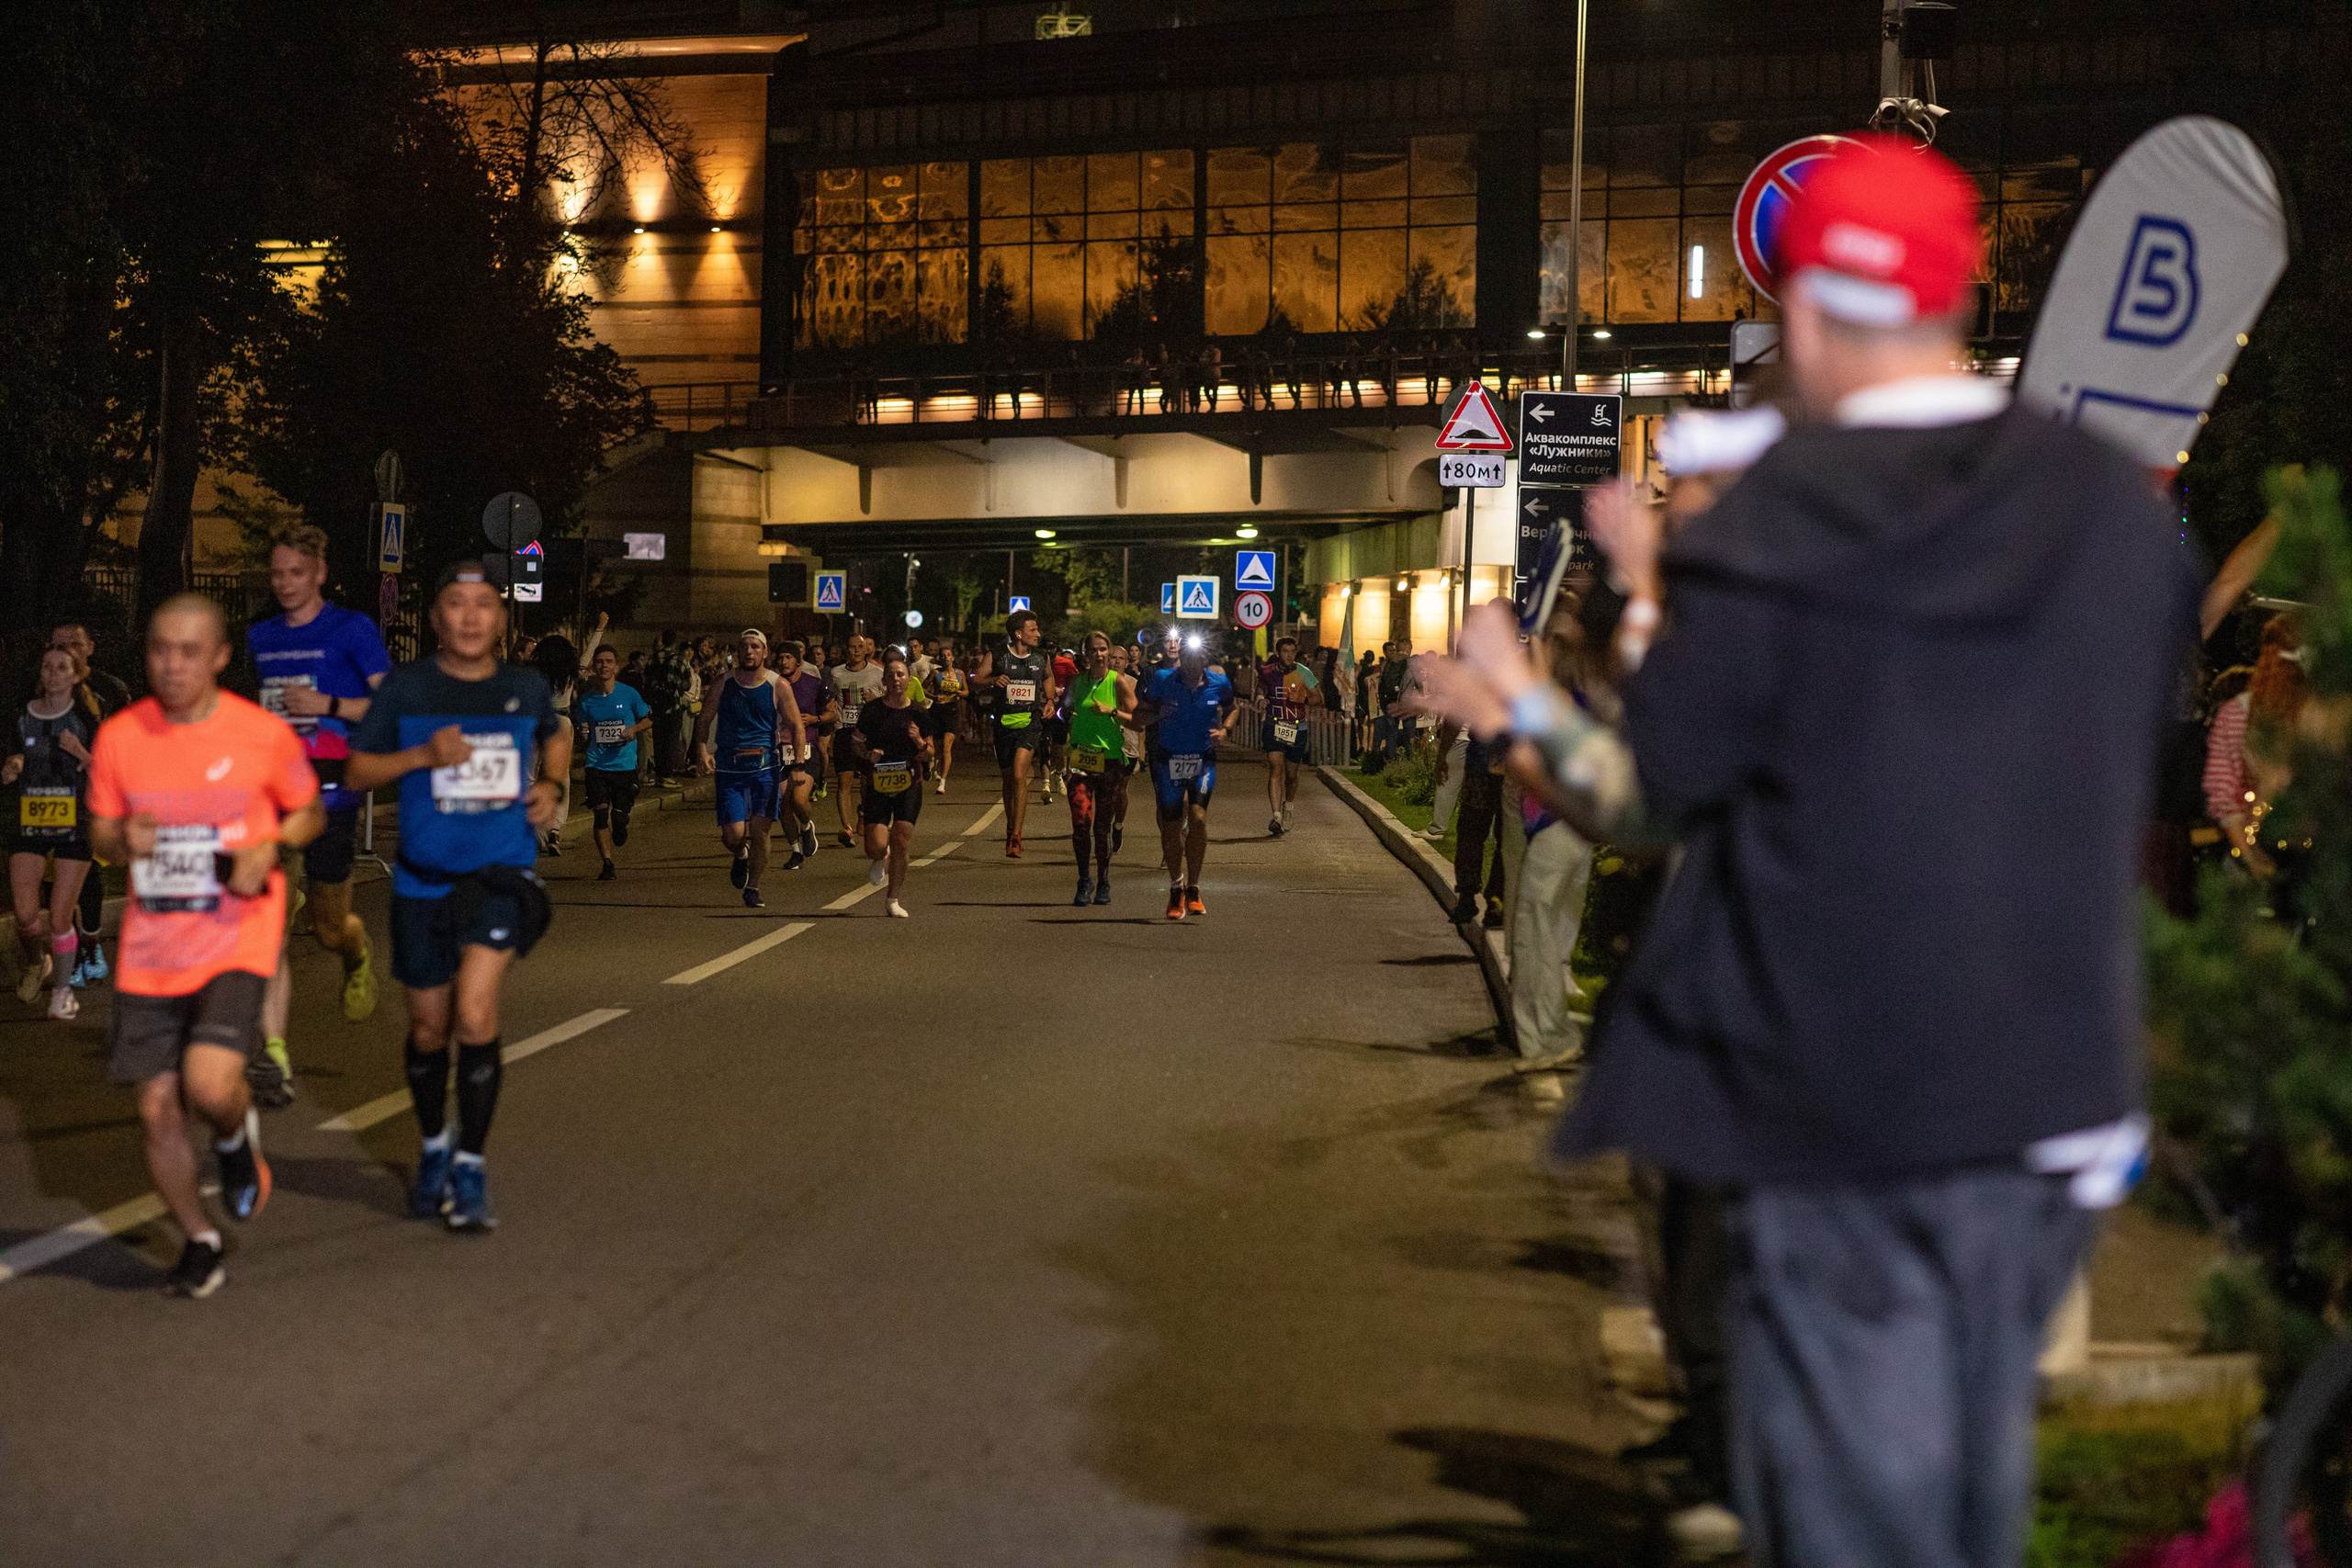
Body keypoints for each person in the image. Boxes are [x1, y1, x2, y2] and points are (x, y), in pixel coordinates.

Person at [1412, 137, 2200, 1568]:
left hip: (1839, 1105)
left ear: (1817, 313)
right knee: (1970, 1486)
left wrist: (1518, 703)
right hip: (2055, 1113)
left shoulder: (1783, 522)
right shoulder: (2109, 507)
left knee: (1850, 1510)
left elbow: (1652, 798)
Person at [88, 595, 325, 1295]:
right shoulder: (121, 737)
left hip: (234, 934)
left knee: (209, 1084)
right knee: (156, 1109)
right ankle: (199, 1236)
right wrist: (118, 839)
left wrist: (272, 843)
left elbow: (308, 809)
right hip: (153, 946)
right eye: (161, 648)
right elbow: (100, 830)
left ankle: (231, 1136)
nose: (172, 663)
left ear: (221, 657)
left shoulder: (259, 734)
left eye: (189, 651)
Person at [346, 563, 570, 1232]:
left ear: (500, 618)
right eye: (456, 603)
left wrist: (554, 786)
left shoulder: (523, 686)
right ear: (437, 616)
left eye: (483, 605)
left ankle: (470, 1164)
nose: (470, 616)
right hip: (421, 881)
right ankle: (435, 1145)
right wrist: (420, 758)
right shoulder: (408, 686)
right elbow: (357, 767)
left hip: (498, 877)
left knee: (475, 1014)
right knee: (427, 1028)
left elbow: (554, 733)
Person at [246, 521, 394, 1106]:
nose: (285, 583)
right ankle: (273, 1053)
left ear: (319, 574)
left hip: (331, 793)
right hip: (274, 797)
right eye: (277, 573)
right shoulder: (260, 636)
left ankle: (355, 954)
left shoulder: (352, 629)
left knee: (328, 930)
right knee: (265, 929)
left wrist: (328, 705)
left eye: (296, 573)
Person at [6, 648, 101, 1020]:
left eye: (62, 668)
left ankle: (62, 994)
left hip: (73, 824)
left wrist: (81, 752)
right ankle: (37, 962)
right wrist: (12, 766)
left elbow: (107, 770)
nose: (53, 674)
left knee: (61, 917)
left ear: (76, 676)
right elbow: (13, 754)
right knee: (25, 914)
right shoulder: (21, 715)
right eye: (47, 667)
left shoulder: (86, 718)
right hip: (30, 820)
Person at [694, 629, 803, 910]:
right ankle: (740, 853)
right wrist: (702, 750)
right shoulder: (723, 683)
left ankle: (753, 887)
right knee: (733, 835)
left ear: (765, 652)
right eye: (744, 647)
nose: (749, 652)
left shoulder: (777, 685)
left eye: (755, 647)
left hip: (765, 769)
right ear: (738, 652)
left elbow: (796, 725)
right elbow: (704, 719)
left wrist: (799, 765)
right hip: (730, 770)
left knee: (760, 832)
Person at [50, 619, 130, 987]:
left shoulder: (110, 690)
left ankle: (91, 943)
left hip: (97, 792)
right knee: (61, 870)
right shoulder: (43, 687)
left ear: (91, 648)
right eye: (58, 644)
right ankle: (74, 942)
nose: (66, 651)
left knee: (88, 867)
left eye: (75, 645)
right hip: (53, 794)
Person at [1139, 632, 1235, 920]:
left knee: (1198, 818)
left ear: (1205, 660)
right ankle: (1175, 886)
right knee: (1170, 826)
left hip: (1202, 760)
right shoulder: (1163, 679)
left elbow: (1232, 707)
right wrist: (1157, 711)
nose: (1192, 664)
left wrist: (1225, 729)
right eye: (1187, 659)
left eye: (1198, 659)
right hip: (1169, 759)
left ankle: (1193, 886)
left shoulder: (1219, 682)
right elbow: (1141, 710)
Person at [851, 648, 932, 919]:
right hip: (878, 783)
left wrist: (920, 742)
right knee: (875, 845)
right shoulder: (873, 711)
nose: (896, 679)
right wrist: (868, 754)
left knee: (902, 840)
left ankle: (893, 898)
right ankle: (879, 856)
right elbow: (857, 742)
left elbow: (929, 752)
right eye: (890, 675)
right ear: (884, 681)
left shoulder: (919, 713)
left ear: (909, 680)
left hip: (909, 781)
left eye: (901, 674)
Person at [1064, 630, 1136, 906]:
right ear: (1085, 654)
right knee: (1081, 823)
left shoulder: (1117, 682)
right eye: (1093, 649)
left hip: (1110, 763)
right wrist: (1062, 712)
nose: (1099, 654)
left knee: (1101, 828)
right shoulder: (1077, 682)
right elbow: (1064, 708)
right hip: (1081, 760)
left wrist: (1112, 712)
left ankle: (1104, 880)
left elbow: (1137, 720)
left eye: (1103, 649)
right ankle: (1084, 880)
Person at [979, 610, 1056, 857]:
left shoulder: (1041, 656)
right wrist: (992, 680)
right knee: (1008, 779)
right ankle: (1010, 827)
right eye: (1033, 630)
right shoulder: (998, 655)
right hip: (1003, 723)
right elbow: (974, 679)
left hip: (1030, 721)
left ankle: (1016, 836)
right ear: (1018, 633)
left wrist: (1051, 700)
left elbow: (1048, 677)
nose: (1038, 634)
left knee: (1019, 774)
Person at [576, 644, 652, 881]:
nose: (604, 665)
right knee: (599, 815)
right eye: (599, 662)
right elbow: (582, 728)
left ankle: (620, 824)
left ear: (616, 667)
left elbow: (648, 720)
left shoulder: (629, 694)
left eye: (609, 661)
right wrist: (584, 731)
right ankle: (607, 863)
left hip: (624, 767)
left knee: (618, 818)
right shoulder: (587, 700)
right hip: (597, 765)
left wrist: (634, 729)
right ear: (593, 667)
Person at [775, 639, 831, 871]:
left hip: (807, 748)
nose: (784, 661)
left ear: (798, 661)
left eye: (788, 657)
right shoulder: (771, 684)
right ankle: (796, 851)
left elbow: (831, 713)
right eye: (780, 658)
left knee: (798, 799)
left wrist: (815, 719)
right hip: (780, 750)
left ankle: (807, 827)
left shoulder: (813, 684)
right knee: (782, 803)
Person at [1258, 634, 1321, 836]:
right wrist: (1260, 698)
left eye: (1293, 651)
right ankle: (1276, 815)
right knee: (1276, 768)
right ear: (1278, 653)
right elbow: (1261, 687)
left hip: (1297, 728)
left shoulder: (1304, 672)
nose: (1289, 655)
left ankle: (1288, 807)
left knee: (1291, 775)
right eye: (1285, 651)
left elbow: (1319, 698)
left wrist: (1303, 700)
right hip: (1274, 725)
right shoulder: (1267, 671)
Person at [827, 636, 885, 847]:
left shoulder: (878, 673)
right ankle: (847, 828)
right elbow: (831, 703)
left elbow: (889, 701)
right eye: (852, 647)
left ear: (866, 650)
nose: (856, 651)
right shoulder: (836, 673)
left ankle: (864, 811)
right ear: (846, 650)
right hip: (845, 733)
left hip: (868, 734)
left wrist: (876, 701)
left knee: (868, 783)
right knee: (844, 782)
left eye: (860, 647)